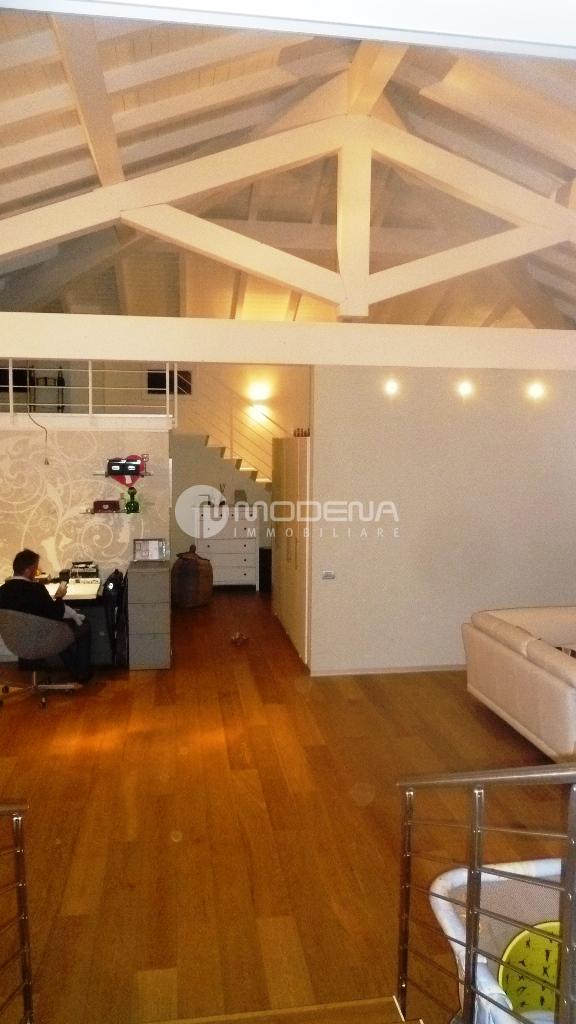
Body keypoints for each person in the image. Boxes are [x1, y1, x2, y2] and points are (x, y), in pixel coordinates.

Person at [0, 549, 92, 684]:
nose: (37, 571)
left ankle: (74, 670)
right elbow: (56, 614)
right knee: (84, 626)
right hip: (41, 640)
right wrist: (59, 596)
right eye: (35, 568)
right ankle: (82, 674)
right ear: (28, 571)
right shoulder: (36, 590)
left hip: (14, 643)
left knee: (59, 630)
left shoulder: (2, 591)